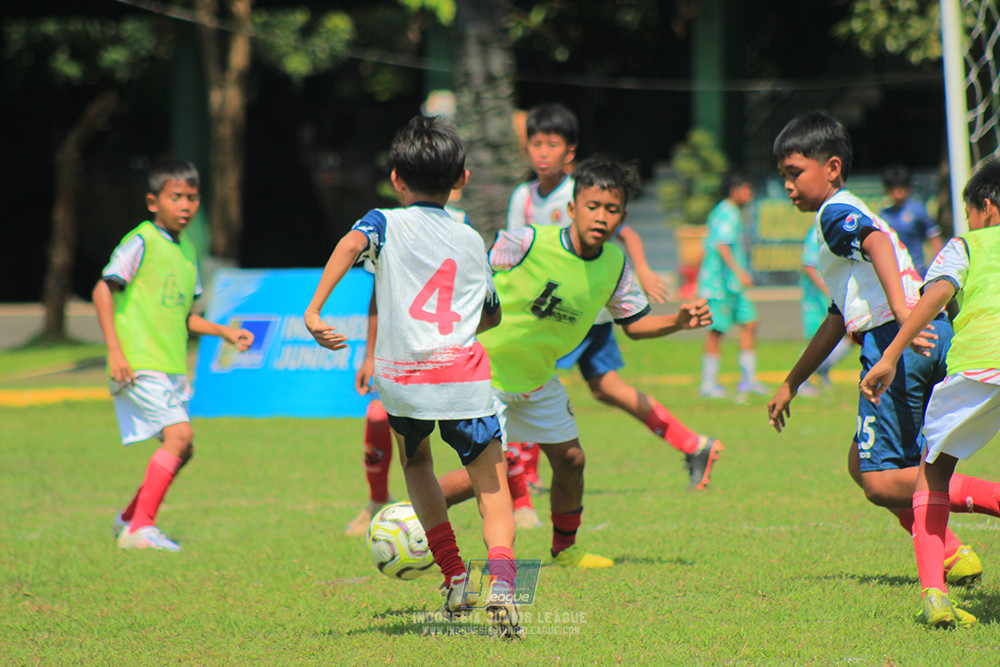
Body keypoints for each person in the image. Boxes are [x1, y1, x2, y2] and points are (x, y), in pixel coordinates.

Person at [304, 116, 523, 639]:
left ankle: (452, 576)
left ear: (396, 177)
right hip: (462, 377)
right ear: (462, 180)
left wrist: (315, 311)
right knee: (492, 487)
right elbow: (489, 315)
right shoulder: (471, 237)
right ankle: (503, 587)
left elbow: (348, 245)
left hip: (403, 380)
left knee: (416, 459)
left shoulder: (384, 221)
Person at [441, 157, 713, 569]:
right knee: (489, 472)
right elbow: (474, 272)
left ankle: (565, 549)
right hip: (486, 372)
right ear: (573, 208)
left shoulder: (614, 265)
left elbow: (634, 324)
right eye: (593, 206)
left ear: (622, 217)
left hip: (537, 379)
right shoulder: (528, 241)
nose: (601, 217)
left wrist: (676, 321)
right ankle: (410, 513)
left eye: (612, 209)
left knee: (571, 459)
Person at [767, 111, 1000, 590]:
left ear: (831, 168)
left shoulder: (837, 214)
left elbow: (877, 244)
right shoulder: (848, 217)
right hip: (924, 335)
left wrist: (900, 317)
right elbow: (837, 316)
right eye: (783, 176)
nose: (788, 186)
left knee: (880, 481)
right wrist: (792, 382)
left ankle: (992, 500)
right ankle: (952, 554)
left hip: (900, 342)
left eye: (795, 173)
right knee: (864, 462)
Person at [508, 103, 723, 492]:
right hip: (553, 312)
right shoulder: (522, 197)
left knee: (532, 379)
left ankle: (525, 477)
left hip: (582, 312)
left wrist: (639, 271)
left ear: (568, 152)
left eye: (551, 144)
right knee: (606, 388)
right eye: (535, 144)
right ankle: (693, 444)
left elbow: (625, 235)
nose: (542, 152)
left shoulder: (582, 190)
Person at [860, 157, 1000, 629]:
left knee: (932, 475)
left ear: (986, 208)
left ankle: (935, 595)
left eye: (970, 215)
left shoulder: (965, 245)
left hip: (979, 366)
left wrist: (890, 355)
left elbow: (935, 295)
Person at [94, 158, 254, 552]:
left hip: (169, 367)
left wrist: (224, 332)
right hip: (137, 361)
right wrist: (115, 350)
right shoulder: (141, 240)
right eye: (176, 197)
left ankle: (130, 518)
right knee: (179, 436)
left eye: (193, 198)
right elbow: (103, 288)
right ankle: (140, 529)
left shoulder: (186, 252)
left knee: (185, 448)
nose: (185, 205)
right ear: (154, 201)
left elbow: (186, 317)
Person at [698, 171, 766, 400]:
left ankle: (748, 381)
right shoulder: (727, 213)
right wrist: (740, 272)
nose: (750, 194)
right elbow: (722, 246)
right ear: (735, 191)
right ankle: (708, 384)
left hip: (731, 285)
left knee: (749, 322)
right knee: (715, 332)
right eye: (747, 189)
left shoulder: (727, 212)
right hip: (719, 285)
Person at [797, 225, 854, 395]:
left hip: (837, 293)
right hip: (819, 298)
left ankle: (822, 369)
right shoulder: (817, 231)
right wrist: (825, 288)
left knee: (851, 336)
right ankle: (802, 381)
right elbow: (808, 264)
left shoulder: (841, 228)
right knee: (817, 338)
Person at [880, 163, 944, 277]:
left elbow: (934, 238)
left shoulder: (918, 210)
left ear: (908, 187)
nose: (898, 192)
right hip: (893, 272)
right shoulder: (884, 215)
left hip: (916, 272)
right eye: (893, 187)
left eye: (901, 187)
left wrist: (940, 267)